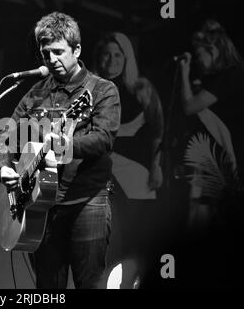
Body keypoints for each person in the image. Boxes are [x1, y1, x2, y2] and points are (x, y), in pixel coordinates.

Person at [0, 12, 121, 289]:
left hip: (87, 203)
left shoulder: (102, 90)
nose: (51, 60)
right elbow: (6, 135)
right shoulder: (35, 94)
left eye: (58, 52)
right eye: (45, 53)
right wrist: (4, 166)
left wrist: (67, 145)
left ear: (76, 50)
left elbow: (104, 138)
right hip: (43, 209)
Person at [91, 32, 164, 288]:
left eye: (118, 54)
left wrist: (156, 166)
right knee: (108, 244)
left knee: (138, 244)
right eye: (106, 54)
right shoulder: (89, 89)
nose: (112, 60)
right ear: (99, 58)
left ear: (127, 56)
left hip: (137, 175)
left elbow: (157, 129)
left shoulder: (141, 88)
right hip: (102, 176)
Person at [176, 19, 244, 287]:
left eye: (200, 53)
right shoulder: (219, 79)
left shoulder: (232, 75)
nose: (197, 60)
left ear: (214, 50)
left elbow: (190, 106)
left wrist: (183, 72)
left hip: (229, 162)